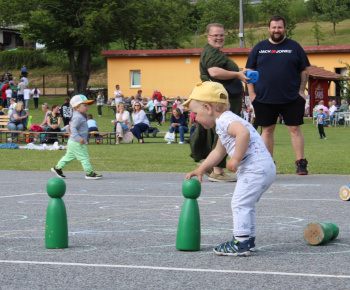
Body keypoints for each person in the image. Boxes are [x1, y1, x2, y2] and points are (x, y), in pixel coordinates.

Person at [184, 81, 276, 256]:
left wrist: (236, 158)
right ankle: (247, 240)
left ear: (208, 108)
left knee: (239, 203)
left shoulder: (226, 120)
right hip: (263, 167)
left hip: (255, 168)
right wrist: (202, 168)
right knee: (246, 204)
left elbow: (243, 133)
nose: (194, 117)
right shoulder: (225, 122)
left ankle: (241, 243)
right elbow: (218, 151)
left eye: (195, 113)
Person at [245, 15, 310, 175]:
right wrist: (252, 94)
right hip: (264, 97)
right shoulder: (259, 47)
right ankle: (268, 164)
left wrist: (302, 91)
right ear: (269, 29)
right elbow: (248, 71)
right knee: (267, 130)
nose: (276, 30)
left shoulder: (294, 47)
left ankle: (300, 163)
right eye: (274, 27)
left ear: (284, 28)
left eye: (279, 27)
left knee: (294, 128)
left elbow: (305, 70)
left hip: (291, 97)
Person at [190, 23, 249, 182]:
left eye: (221, 35)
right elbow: (214, 72)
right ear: (208, 37)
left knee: (220, 129)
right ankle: (217, 170)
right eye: (215, 35)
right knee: (224, 129)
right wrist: (237, 75)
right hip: (221, 100)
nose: (219, 38)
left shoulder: (214, 52)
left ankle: (212, 167)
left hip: (223, 98)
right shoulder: (211, 52)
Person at [51, 94, 102, 180]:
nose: (87, 107)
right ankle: (89, 173)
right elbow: (72, 128)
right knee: (84, 157)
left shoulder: (81, 115)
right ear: (77, 107)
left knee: (69, 157)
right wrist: (79, 139)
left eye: (87, 105)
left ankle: (58, 168)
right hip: (76, 142)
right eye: (85, 105)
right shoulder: (78, 117)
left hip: (72, 142)